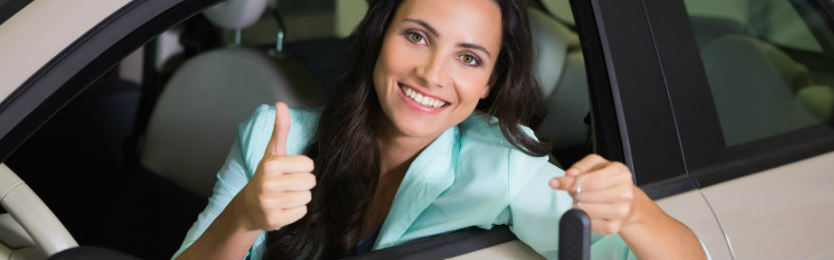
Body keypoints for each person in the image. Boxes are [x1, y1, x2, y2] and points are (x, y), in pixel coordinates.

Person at [174, 0, 708, 259]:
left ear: (490, 82)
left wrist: (637, 211)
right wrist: (245, 216)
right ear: (380, 37)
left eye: (469, 58)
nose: (432, 75)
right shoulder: (276, 138)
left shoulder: (498, 166)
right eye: (417, 36)